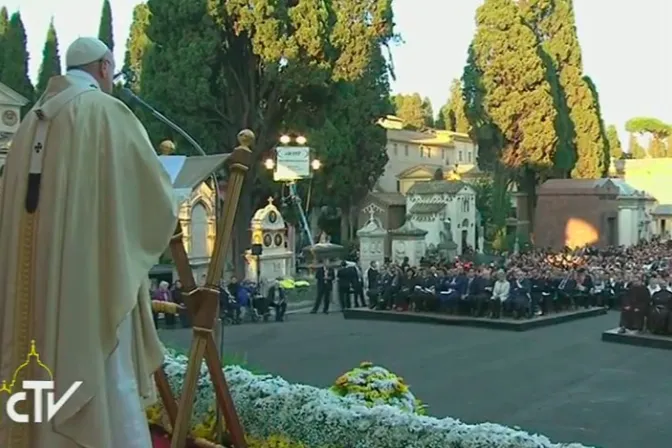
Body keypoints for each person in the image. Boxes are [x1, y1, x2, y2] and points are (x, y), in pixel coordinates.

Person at [0, 37, 177, 448]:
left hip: (32, 284)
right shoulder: (103, 111)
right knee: (99, 369)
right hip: (83, 281)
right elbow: (152, 194)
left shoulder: (29, 124)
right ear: (103, 68)